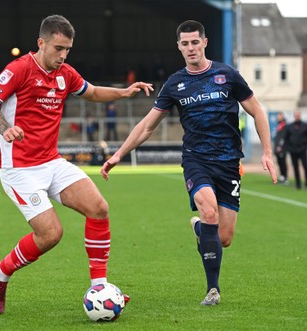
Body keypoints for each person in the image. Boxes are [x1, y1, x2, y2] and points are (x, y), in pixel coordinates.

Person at [0, 14, 153, 314]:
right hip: (20, 168)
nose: (63, 55)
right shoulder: (19, 69)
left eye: (68, 50)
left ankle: (99, 287)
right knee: (51, 235)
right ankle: (0, 273)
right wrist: (5, 127)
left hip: (52, 162)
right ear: (41, 42)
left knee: (99, 208)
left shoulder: (66, 74)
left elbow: (93, 92)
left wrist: (123, 92)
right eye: (58, 48)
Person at [101, 20, 277, 306]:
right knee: (209, 212)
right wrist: (119, 154)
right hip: (196, 160)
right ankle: (213, 289)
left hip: (229, 162)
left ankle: (199, 231)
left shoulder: (227, 75)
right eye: (185, 43)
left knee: (224, 237)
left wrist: (267, 152)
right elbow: (147, 126)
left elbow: (257, 111)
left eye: (195, 42)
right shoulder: (174, 84)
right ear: (179, 47)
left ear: (204, 43)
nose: (191, 48)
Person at [284, 110, 307, 190]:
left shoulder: (305, 125)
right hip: (293, 151)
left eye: (298, 115)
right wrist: (288, 148)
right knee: (295, 167)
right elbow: (285, 138)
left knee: (305, 166)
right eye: (296, 115)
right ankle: (298, 184)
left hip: (302, 150)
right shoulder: (289, 126)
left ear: (300, 116)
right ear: (294, 116)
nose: (297, 116)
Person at [274, 112, 288, 184]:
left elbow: (283, 137)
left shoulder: (284, 125)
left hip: (282, 148)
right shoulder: (279, 125)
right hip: (277, 148)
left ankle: (285, 177)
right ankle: (282, 176)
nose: (278, 117)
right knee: (279, 162)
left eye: (279, 116)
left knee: (283, 162)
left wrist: (280, 146)